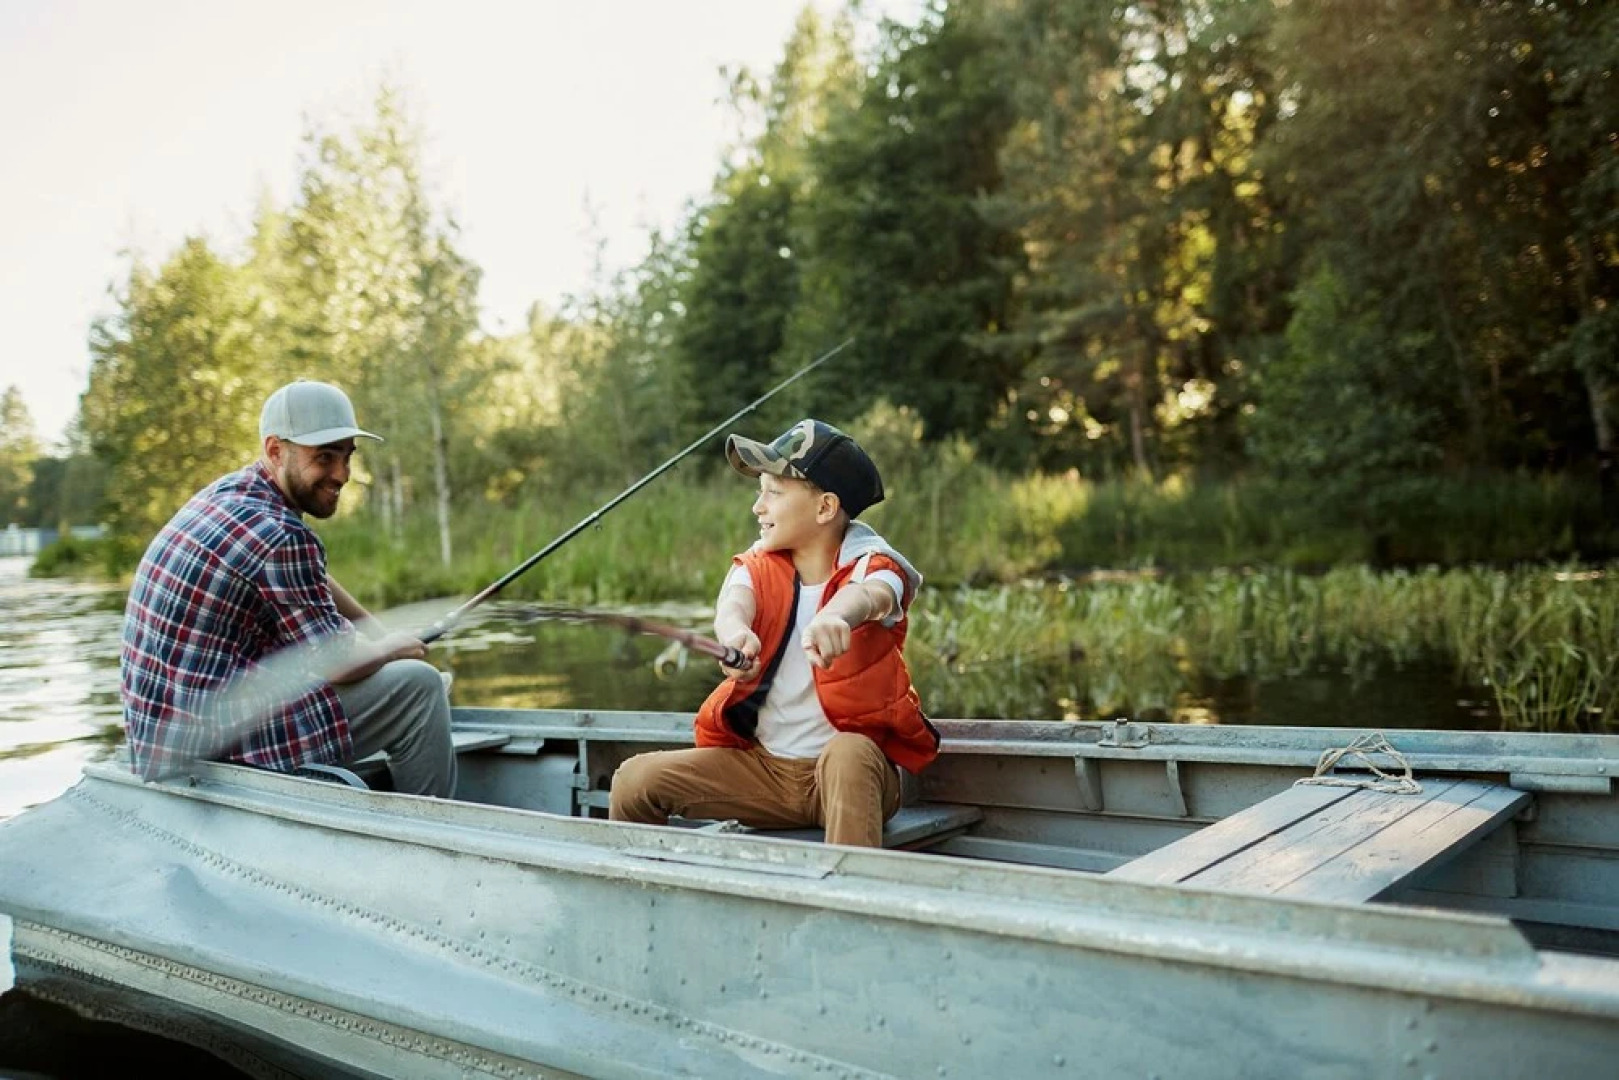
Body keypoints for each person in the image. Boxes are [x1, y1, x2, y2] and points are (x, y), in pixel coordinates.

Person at [610, 419, 939, 847]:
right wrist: (735, 634)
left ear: (824, 508)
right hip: (765, 773)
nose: (758, 507)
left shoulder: (874, 565)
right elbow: (734, 606)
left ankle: (848, 897)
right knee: (634, 781)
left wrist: (837, 617)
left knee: (849, 754)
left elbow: (873, 595)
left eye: (774, 492)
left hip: (854, 779)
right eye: (759, 491)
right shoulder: (756, 564)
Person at [120, 379, 456, 797]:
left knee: (378, 667)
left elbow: (315, 582)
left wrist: (377, 632)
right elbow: (341, 664)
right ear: (276, 450)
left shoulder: (234, 493)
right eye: (325, 457)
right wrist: (393, 649)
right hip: (206, 745)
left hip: (162, 731)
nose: (342, 474)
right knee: (420, 690)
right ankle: (427, 843)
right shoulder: (280, 535)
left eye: (348, 456)